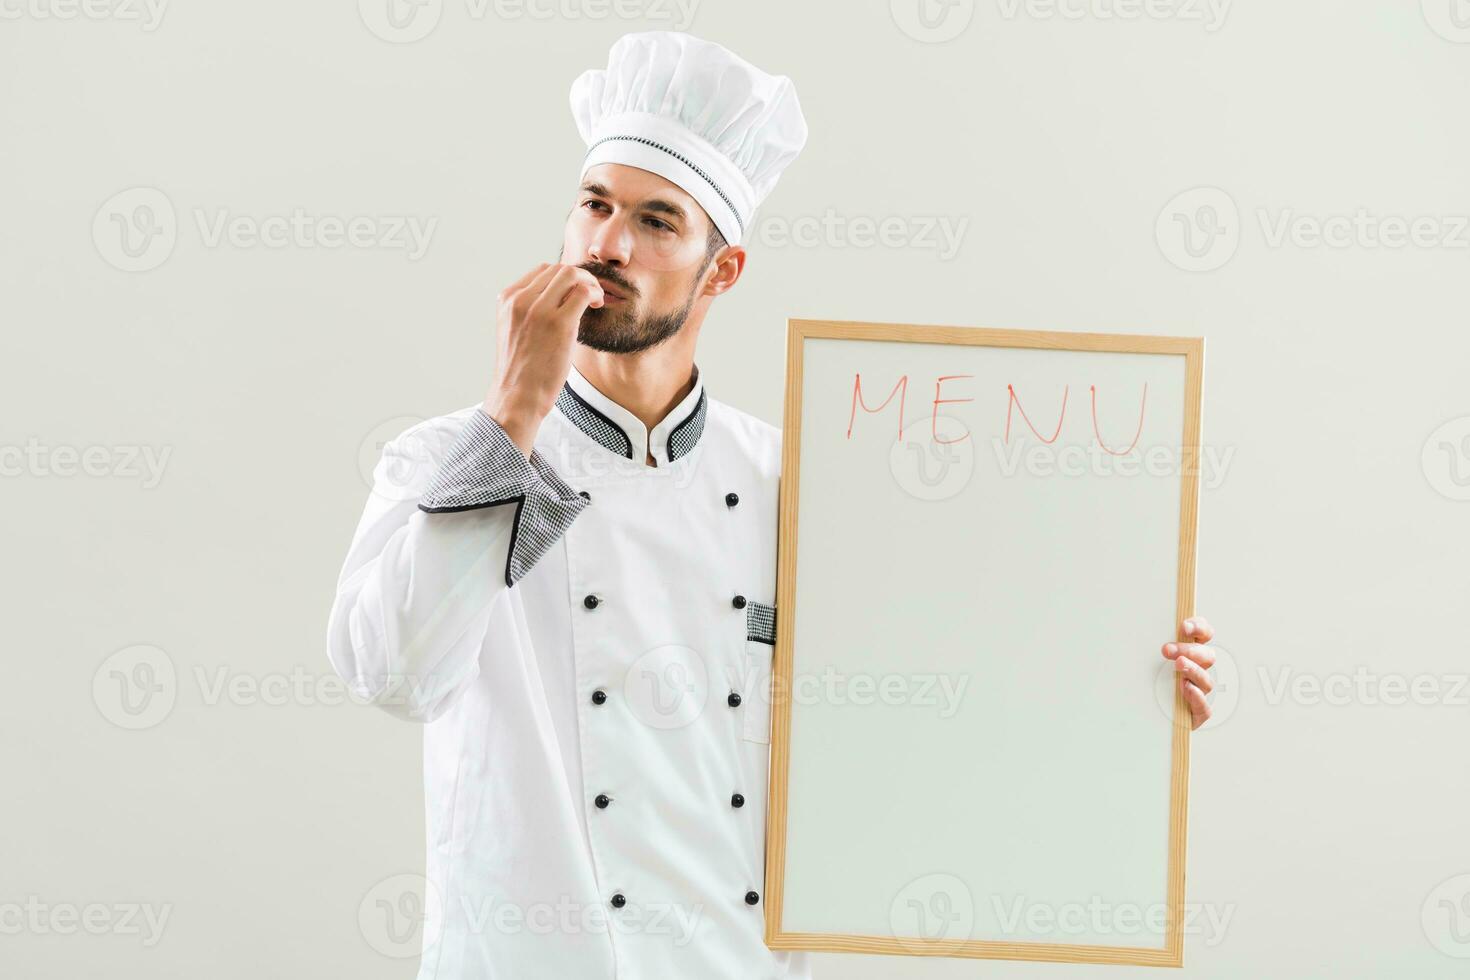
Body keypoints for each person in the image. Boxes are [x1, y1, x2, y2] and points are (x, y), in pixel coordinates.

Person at [326, 29, 1219, 980]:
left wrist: (1125, 690)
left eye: (657, 221)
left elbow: (931, 713)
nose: (608, 245)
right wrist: (514, 415)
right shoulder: (449, 458)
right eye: (595, 205)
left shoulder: (800, 488)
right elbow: (396, 674)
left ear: (723, 270)